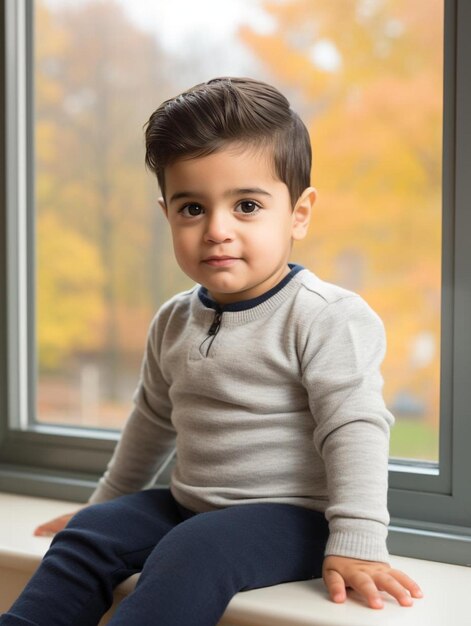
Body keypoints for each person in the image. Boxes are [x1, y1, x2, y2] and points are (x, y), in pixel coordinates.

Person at [1, 77, 422, 626]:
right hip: (190, 502)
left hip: (295, 516)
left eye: (247, 205)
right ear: (167, 214)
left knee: (194, 551)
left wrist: (359, 537)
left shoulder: (325, 315)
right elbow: (152, 420)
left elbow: (355, 427)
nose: (217, 230)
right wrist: (105, 501)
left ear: (298, 212)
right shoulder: (175, 318)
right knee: (89, 534)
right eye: (192, 208)